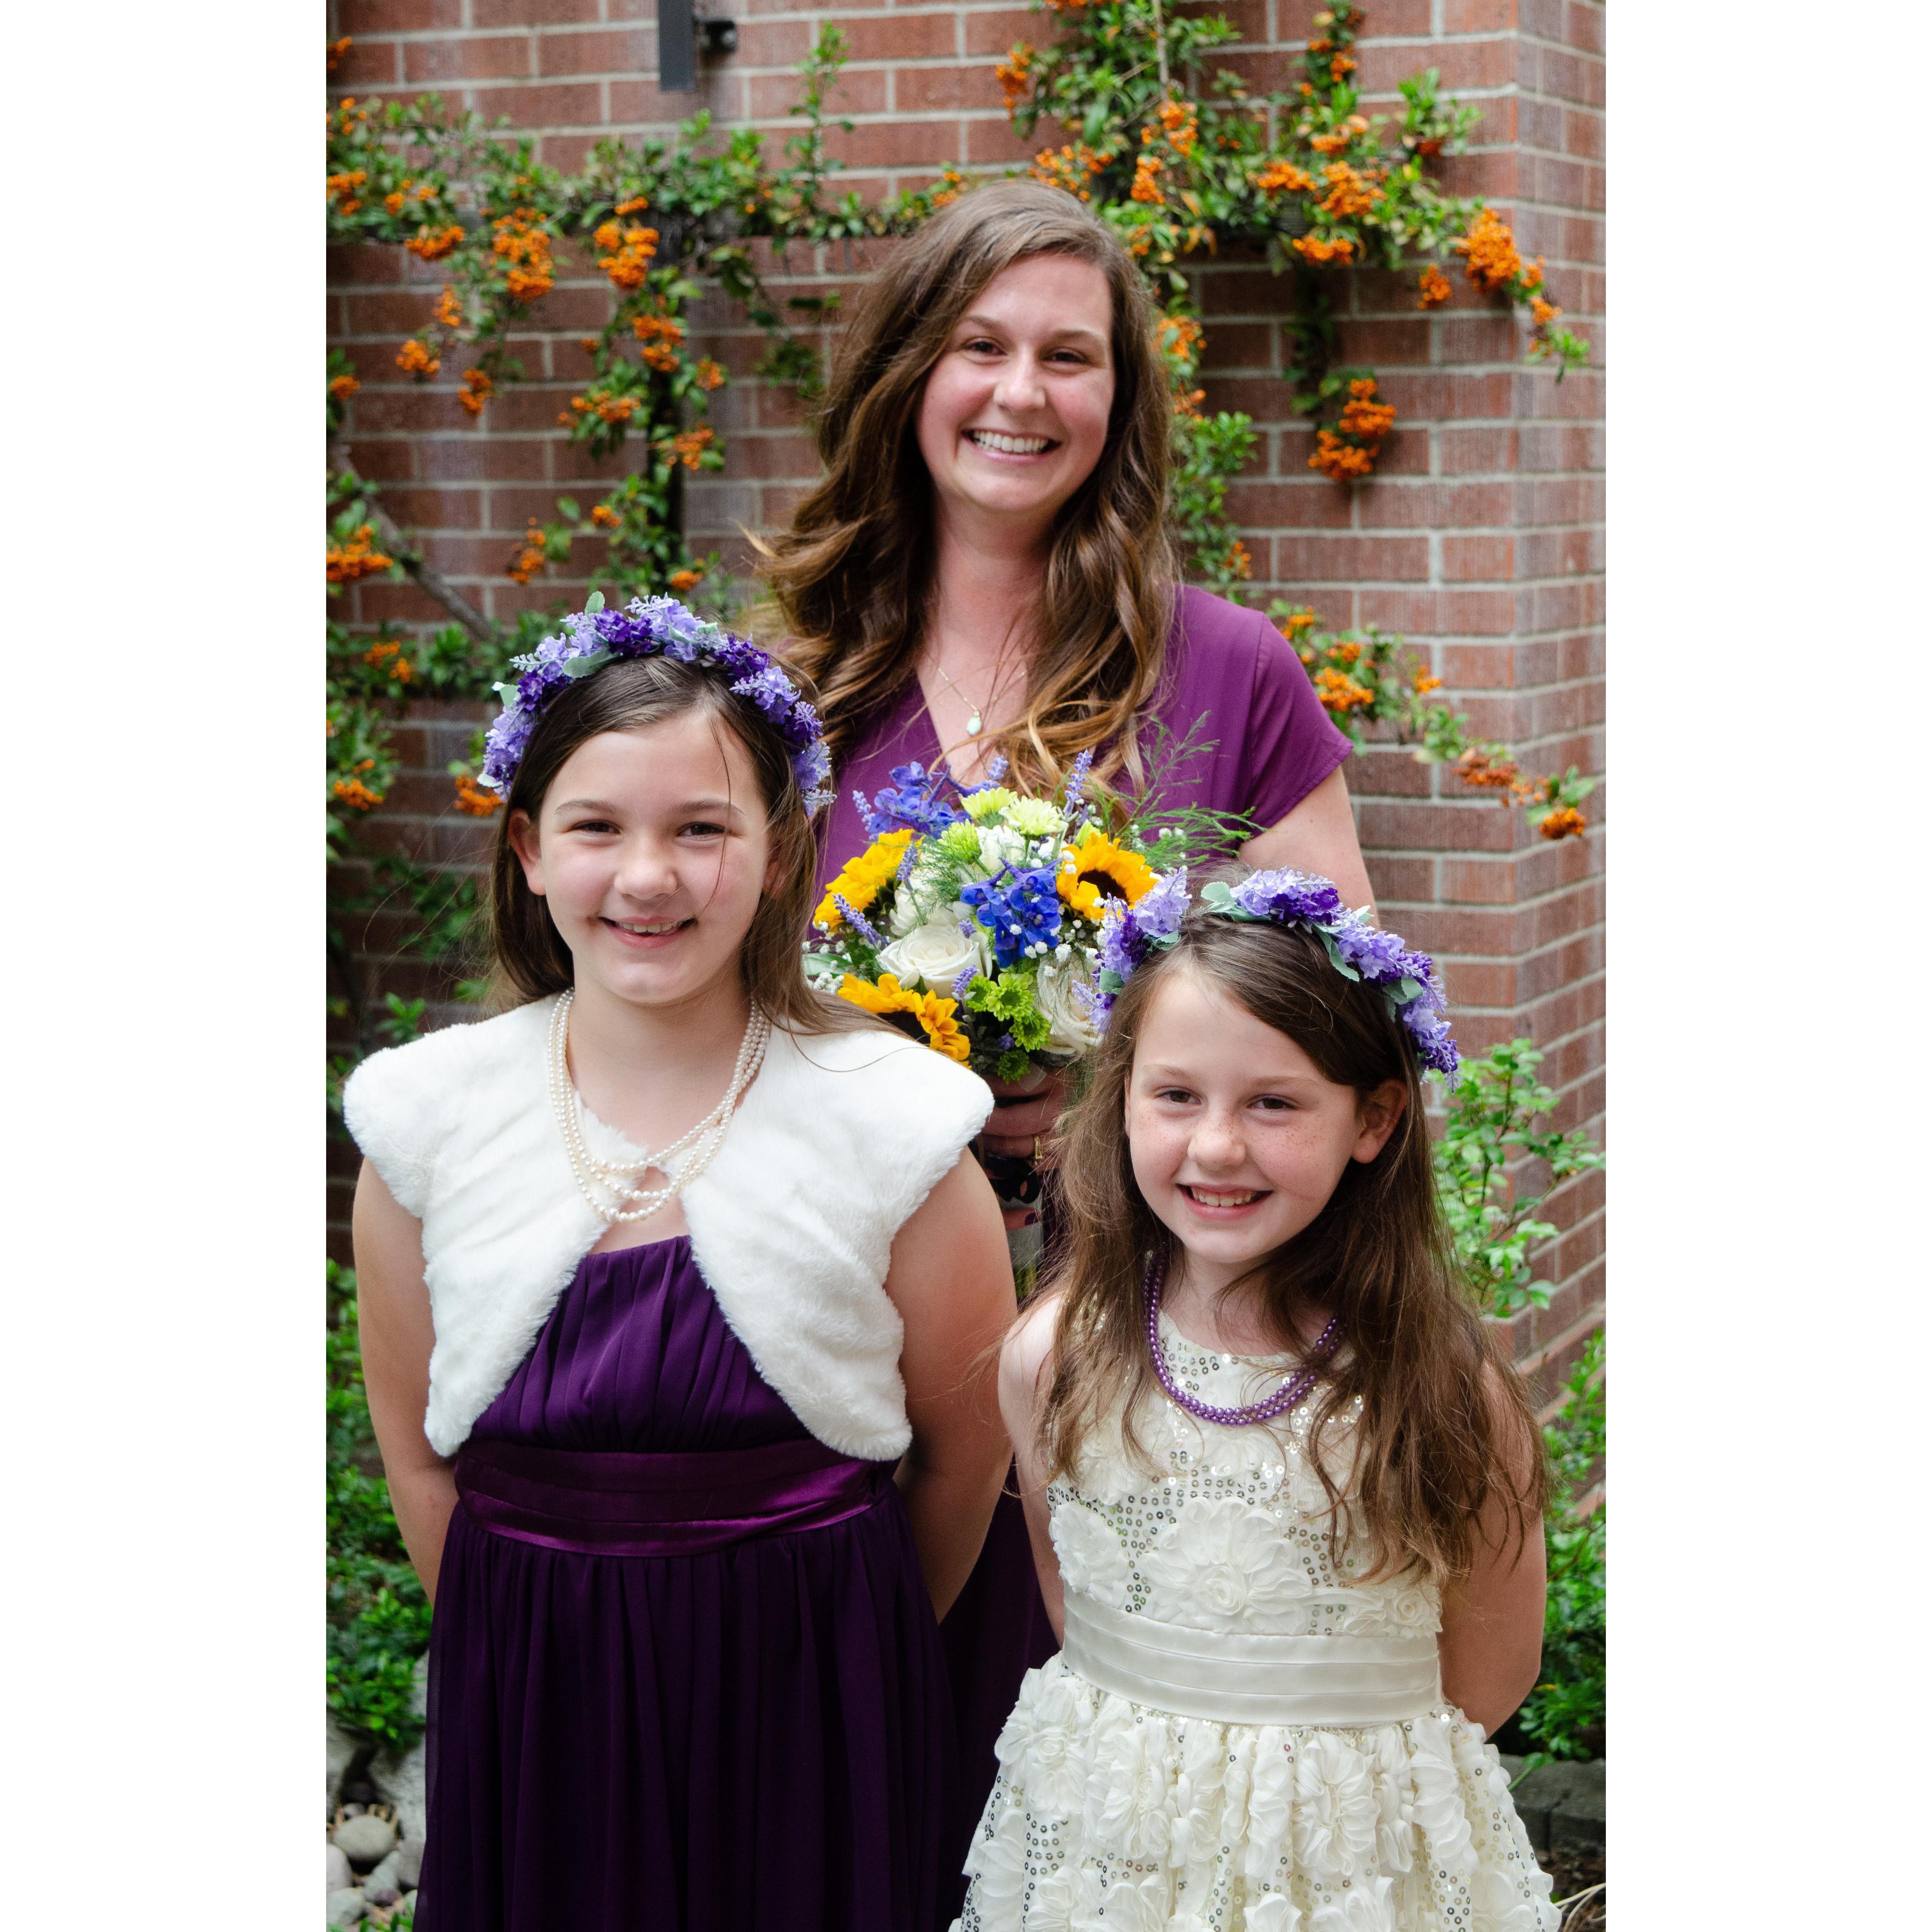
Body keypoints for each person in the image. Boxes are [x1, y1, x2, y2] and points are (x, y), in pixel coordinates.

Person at [758, 176, 1378, 1908]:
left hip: (1138, 1342)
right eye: (978, 345)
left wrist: (1117, 1073)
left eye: (1068, 355)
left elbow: (1341, 1010)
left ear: (1119, 401)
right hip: (835, 1345)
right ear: (907, 371)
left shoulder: (1227, 674)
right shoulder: (790, 686)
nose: (1021, 391)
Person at [344, 597, 1015, 1932]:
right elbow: (418, 1447)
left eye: (700, 828)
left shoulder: (896, 1123)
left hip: (813, 1691)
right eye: (597, 826)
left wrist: (849, 1646)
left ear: (778, 856)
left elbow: (962, 1460)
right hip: (538, 1687)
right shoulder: (428, 1120)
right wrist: (525, 1633)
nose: (647, 876)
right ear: (530, 849)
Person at [956, 867, 1559, 1931]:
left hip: (1354, 1868)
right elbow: (1074, 1603)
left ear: (1372, 1119)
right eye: (1176, 1094)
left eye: (1273, 1102)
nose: (1217, 1145)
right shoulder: (1056, 1357)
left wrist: (1308, 1779)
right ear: (1122, 1090)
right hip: (1120, 1855)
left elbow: (1489, 1668)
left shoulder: (1438, 1388)